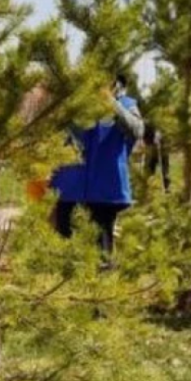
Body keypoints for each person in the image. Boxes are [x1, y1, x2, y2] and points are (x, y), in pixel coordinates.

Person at [49, 73, 143, 258]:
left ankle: (103, 283)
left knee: (101, 253)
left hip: (104, 190)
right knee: (65, 251)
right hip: (70, 188)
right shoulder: (75, 104)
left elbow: (137, 129)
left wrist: (112, 104)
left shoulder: (126, 104)